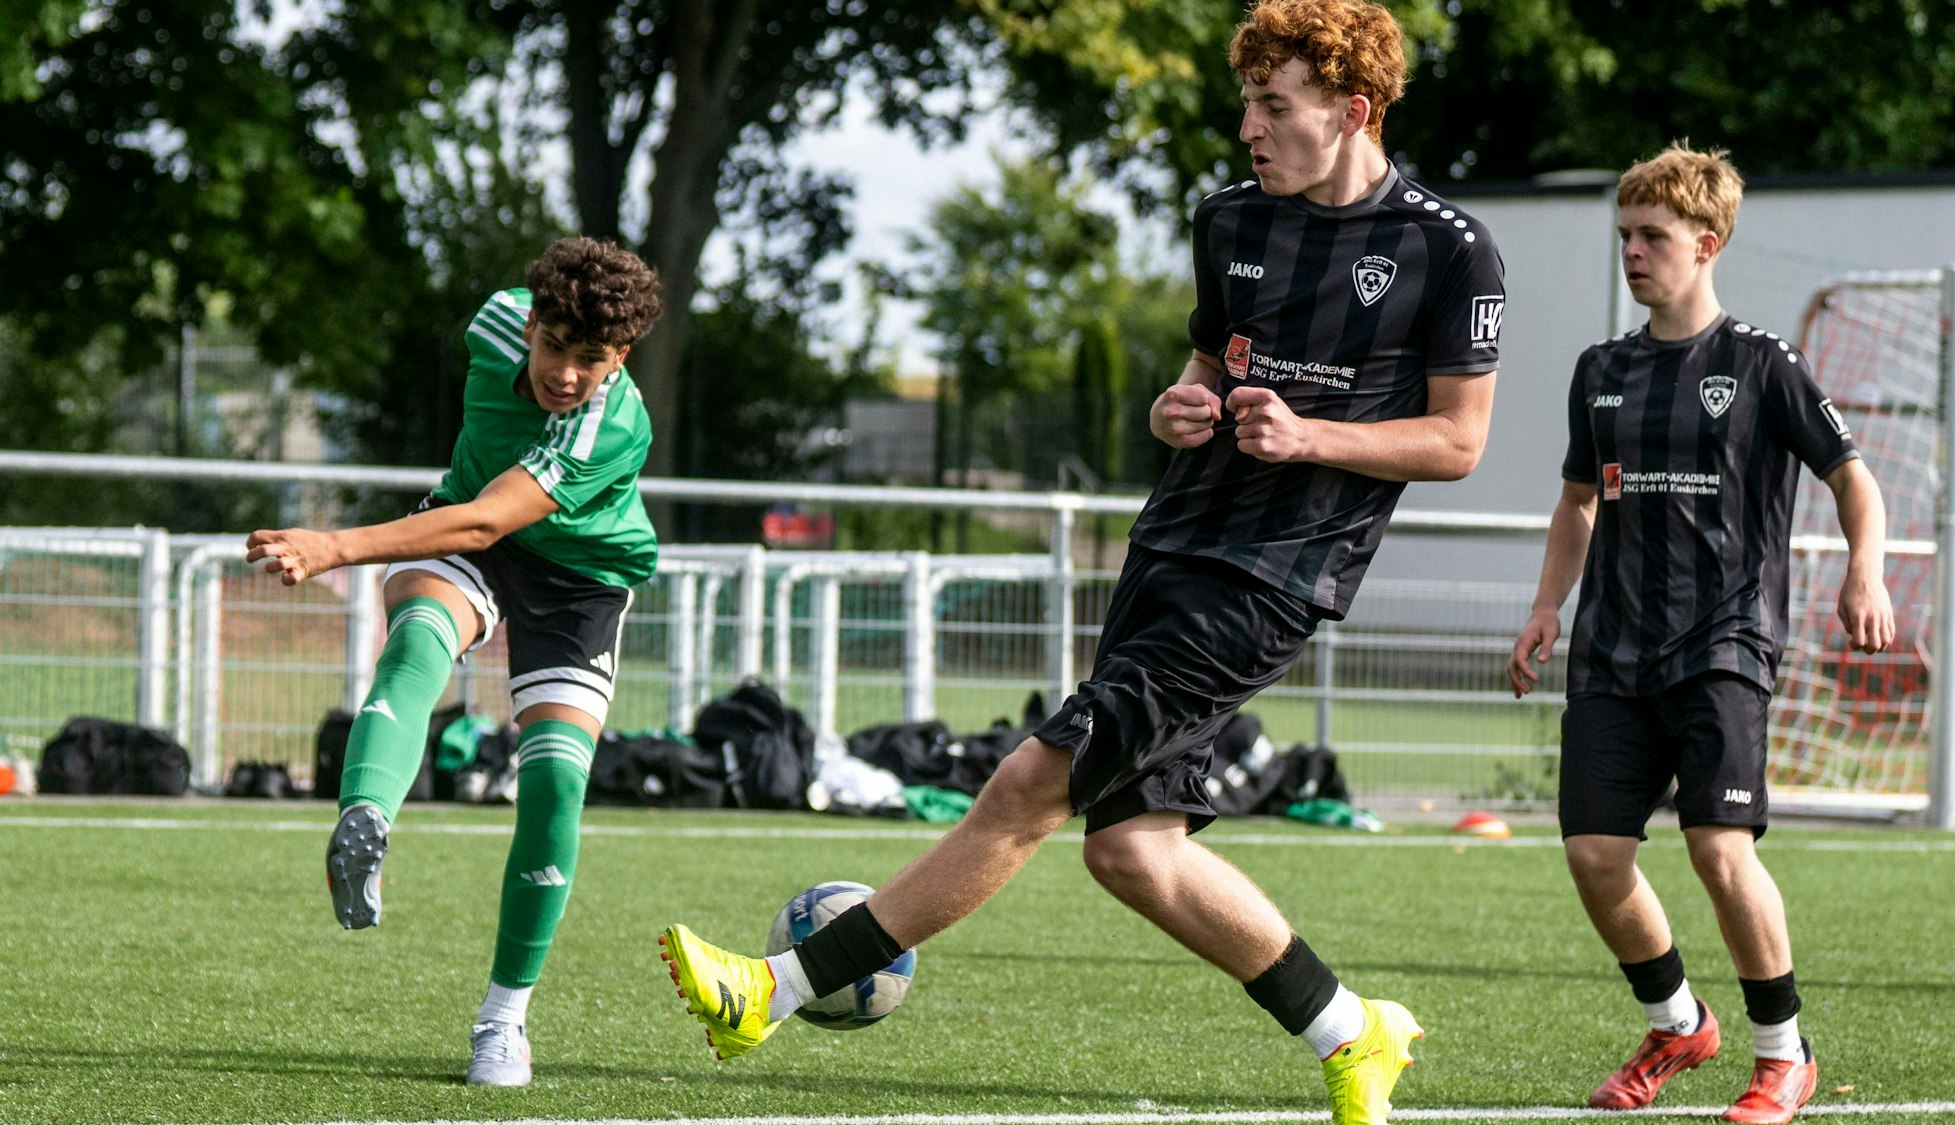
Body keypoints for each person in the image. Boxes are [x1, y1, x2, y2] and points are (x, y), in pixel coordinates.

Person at [655, 3, 1503, 1122]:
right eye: (1246, 101)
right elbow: (1201, 369)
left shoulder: (1447, 248)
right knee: (1135, 854)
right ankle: (1354, 1032)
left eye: (1273, 106)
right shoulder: (1229, 220)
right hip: (1171, 543)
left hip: (1273, 577)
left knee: (1027, 782)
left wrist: (1310, 437)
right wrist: (1174, 407)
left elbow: (1456, 442)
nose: (1248, 125)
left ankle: (772, 989)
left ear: (1352, 112)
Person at [1507, 144, 1893, 1125]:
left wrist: (1862, 568)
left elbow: (1852, 478)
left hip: (1723, 645)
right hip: (1610, 651)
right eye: (1624, 236)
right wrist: (1547, 605)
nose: (1632, 253)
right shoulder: (1601, 371)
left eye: (1652, 237)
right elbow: (1574, 503)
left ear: (1705, 243)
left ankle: (1781, 1053)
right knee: (1594, 856)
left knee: (1719, 849)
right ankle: (1677, 1022)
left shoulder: (1762, 364)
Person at [245, 236, 664, 1087]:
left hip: (577, 577)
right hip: (465, 523)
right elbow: (470, 516)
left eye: (592, 360)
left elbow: (487, 521)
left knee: (553, 781)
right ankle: (364, 823)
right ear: (533, 321)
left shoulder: (609, 424)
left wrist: (334, 545)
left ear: (620, 356)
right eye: (555, 347)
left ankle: (502, 1022)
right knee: (418, 639)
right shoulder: (498, 321)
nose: (566, 375)